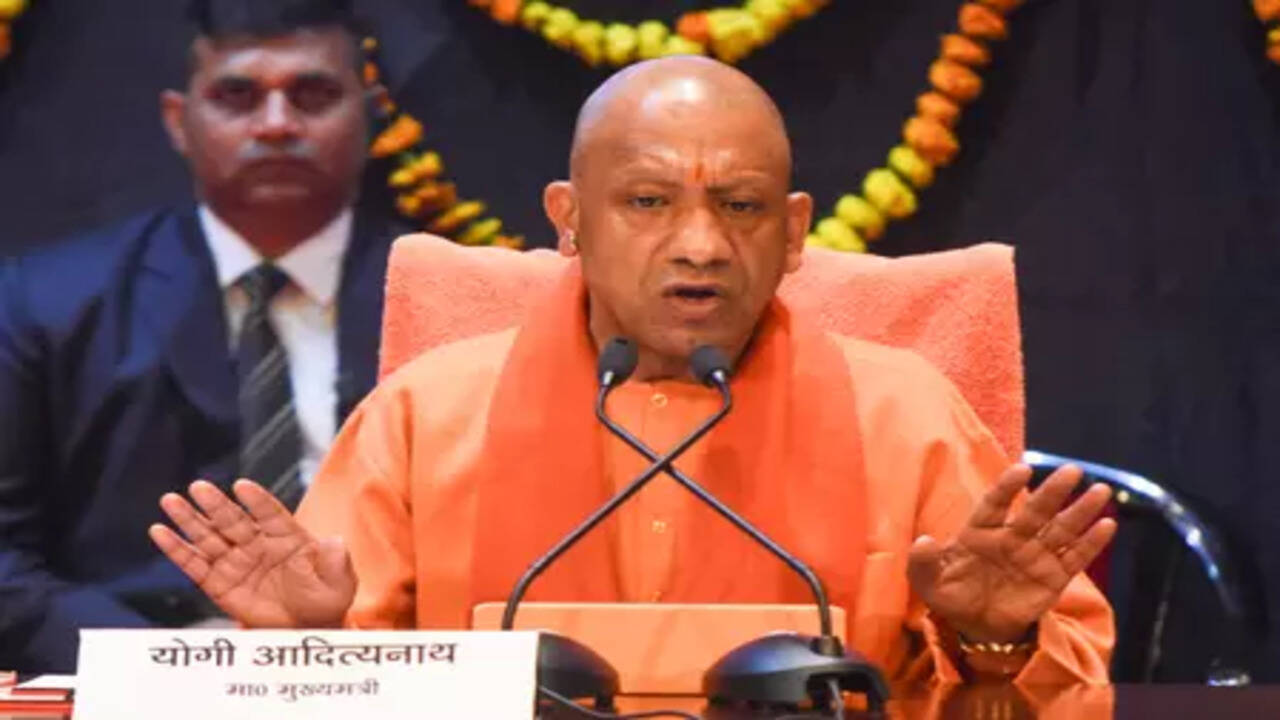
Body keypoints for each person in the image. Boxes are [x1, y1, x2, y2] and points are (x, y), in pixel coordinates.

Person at [150, 56, 1117, 684]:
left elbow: (1065, 682)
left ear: (792, 234)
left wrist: (994, 641)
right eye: (648, 202)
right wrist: (307, 648)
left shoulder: (907, 413)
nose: (700, 244)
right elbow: (351, 690)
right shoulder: (427, 415)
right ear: (568, 219)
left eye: (740, 207)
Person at [0, 0, 400, 672]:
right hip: (125, 672)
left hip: (390, 668)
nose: (276, 124)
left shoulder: (447, 298)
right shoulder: (46, 303)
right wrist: (180, 665)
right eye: (238, 97)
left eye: (313, 95)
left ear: (371, 112)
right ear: (178, 121)